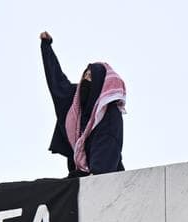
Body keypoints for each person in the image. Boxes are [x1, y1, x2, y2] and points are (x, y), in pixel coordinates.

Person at [39, 31, 126, 177]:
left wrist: (95, 175)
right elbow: (57, 82)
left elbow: (108, 147)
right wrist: (46, 48)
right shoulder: (75, 102)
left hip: (107, 177)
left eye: (91, 76)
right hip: (79, 178)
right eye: (85, 75)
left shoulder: (109, 113)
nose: (86, 78)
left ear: (100, 83)